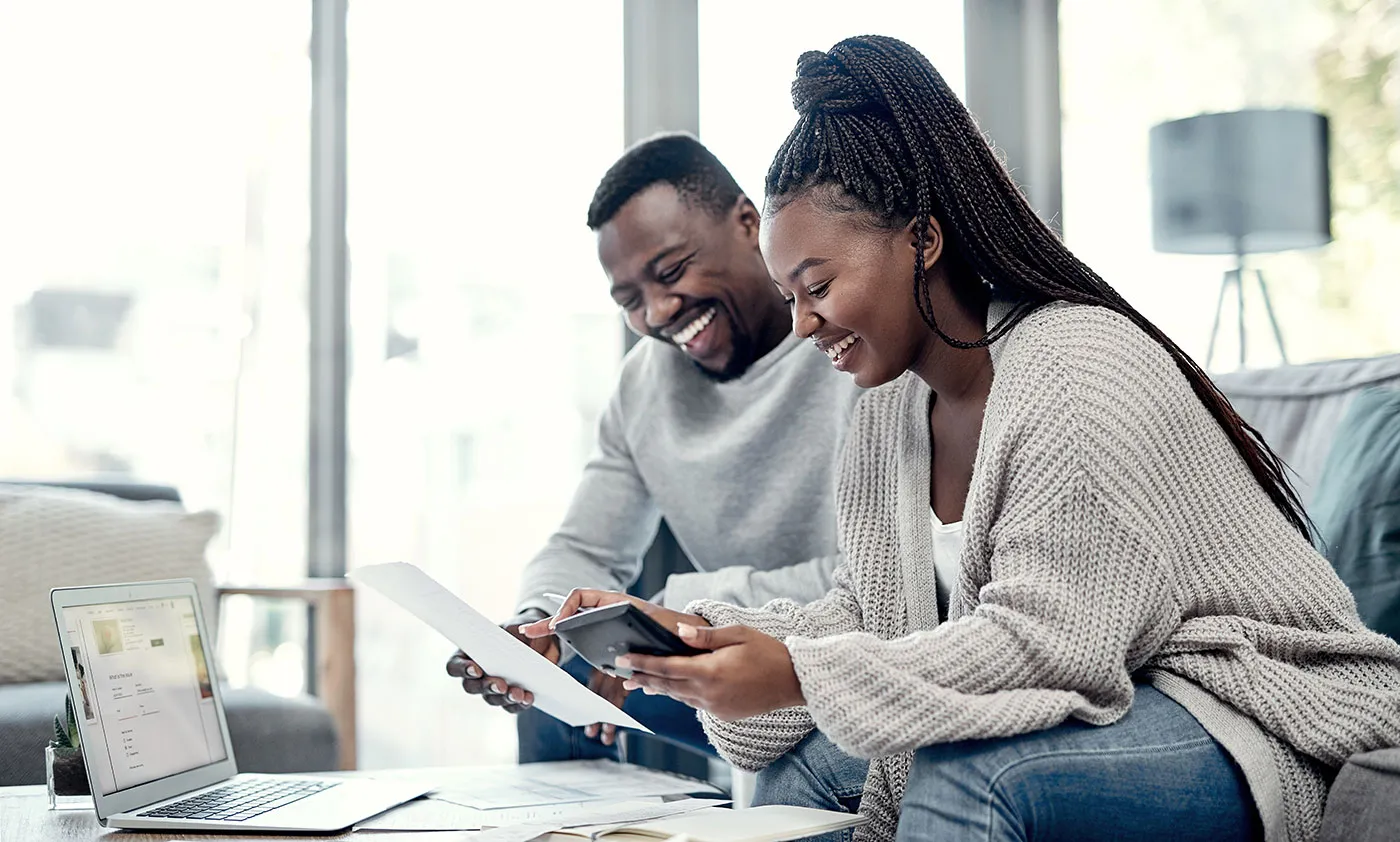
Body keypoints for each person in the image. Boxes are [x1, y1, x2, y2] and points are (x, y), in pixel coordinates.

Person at [524, 36, 1400, 842]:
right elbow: (869, 614)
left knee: (970, 775)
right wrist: (704, 632)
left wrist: (800, 675)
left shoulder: (1077, 364)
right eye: (790, 293)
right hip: (1115, 694)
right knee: (806, 763)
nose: (802, 325)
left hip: (1242, 707)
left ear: (925, 239)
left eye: (819, 284)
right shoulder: (885, 410)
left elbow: (1050, 643)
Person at [446, 133, 862, 763]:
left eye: (671, 271)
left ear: (749, 224)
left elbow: (876, 582)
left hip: (835, 658)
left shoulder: (853, 345)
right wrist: (535, 630)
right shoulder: (644, 383)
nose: (660, 310)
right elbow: (584, 547)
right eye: (629, 300)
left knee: (635, 668)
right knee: (555, 695)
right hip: (709, 648)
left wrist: (672, 614)